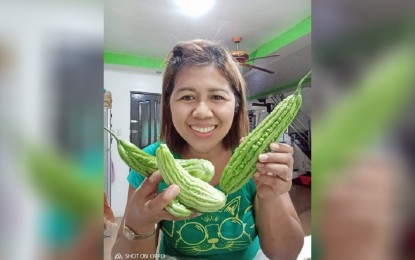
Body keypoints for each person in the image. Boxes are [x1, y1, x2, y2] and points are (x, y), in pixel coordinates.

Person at [111, 39, 304, 260]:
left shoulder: (258, 160)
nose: (202, 112)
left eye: (217, 97)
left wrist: (272, 196)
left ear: (236, 104)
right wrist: (139, 223)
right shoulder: (150, 162)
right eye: (187, 97)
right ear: (169, 104)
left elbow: (286, 255)